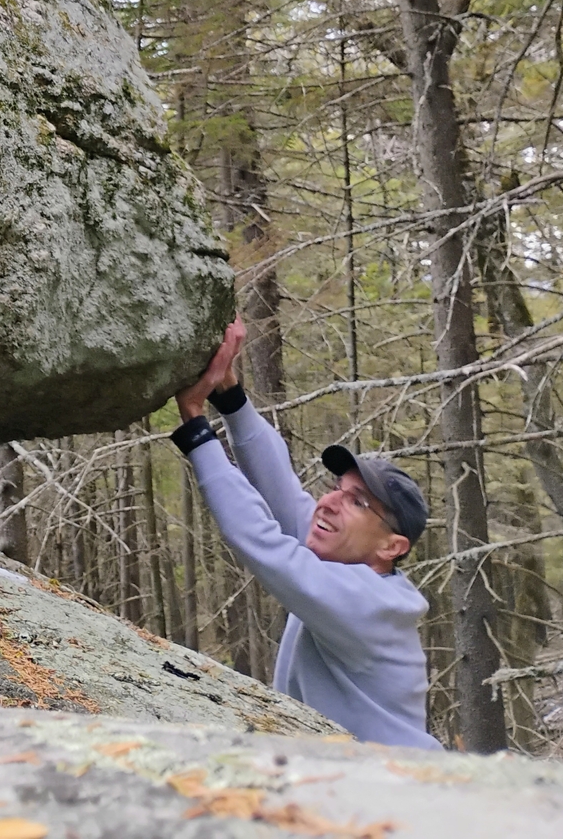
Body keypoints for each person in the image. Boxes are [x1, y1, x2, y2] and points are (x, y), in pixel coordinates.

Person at [171, 318, 441, 749]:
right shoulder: (341, 562)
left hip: (391, 784)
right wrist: (229, 394)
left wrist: (196, 427)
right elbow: (282, 490)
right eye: (337, 489)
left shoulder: (370, 603)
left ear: (392, 547)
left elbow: (264, 544)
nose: (329, 502)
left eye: (358, 502)